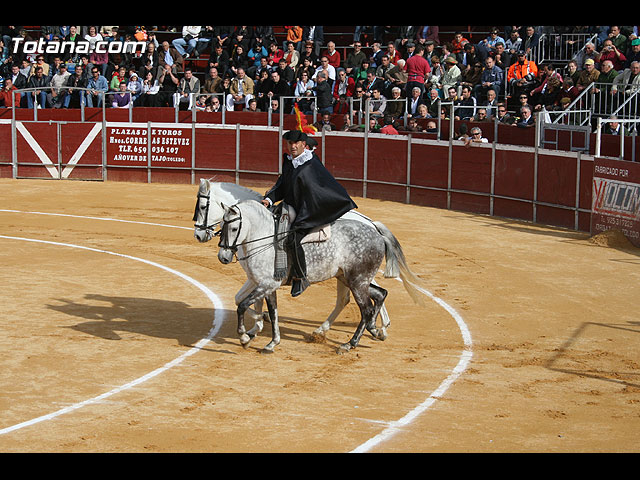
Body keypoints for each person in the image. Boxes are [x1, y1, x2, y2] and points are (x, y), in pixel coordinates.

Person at [261, 130, 357, 297]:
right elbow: (282, 185)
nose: (292, 146)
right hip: (292, 207)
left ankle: (300, 277)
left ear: (304, 145)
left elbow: (315, 193)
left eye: (296, 143)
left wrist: (301, 217)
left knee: (293, 238)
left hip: (311, 211)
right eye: (290, 143)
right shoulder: (290, 162)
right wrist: (269, 199)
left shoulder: (311, 164)